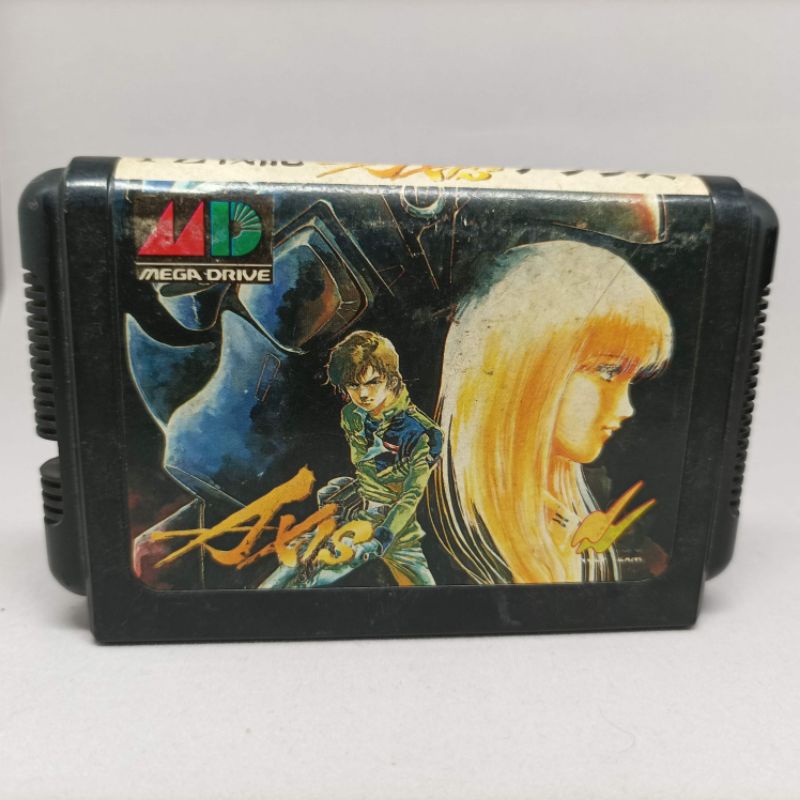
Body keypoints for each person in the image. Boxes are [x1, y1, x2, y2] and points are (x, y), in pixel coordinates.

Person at [433, 240, 673, 584]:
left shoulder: (571, 512)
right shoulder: (443, 547)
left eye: (630, 378)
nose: (626, 408)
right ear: (523, 368)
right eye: (607, 372)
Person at [261, 330, 442, 588]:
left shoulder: (420, 432)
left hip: (396, 527)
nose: (363, 394)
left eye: (373, 382)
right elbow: (366, 468)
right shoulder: (352, 415)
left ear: (391, 380)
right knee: (293, 575)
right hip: (355, 515)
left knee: (427, 592)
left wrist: (381, 538)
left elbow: (410, 495)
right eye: (354, 385)